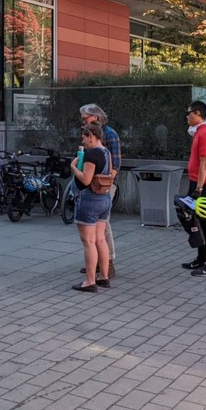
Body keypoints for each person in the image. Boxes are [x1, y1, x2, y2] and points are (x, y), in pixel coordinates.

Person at [69, 122, 112, 291]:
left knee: (88, 241)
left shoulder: (92, 154)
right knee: (101, 239)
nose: (83, 140)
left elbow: (86, 179)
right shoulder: (106, 152)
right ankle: (104, 277)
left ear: (92, 137)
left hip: (89, 200)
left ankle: (89, 281)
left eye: (84, 137)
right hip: (104, 198)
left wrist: (73, 167)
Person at [79, 104, 121, 279]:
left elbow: (116, 163)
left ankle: (108, 263)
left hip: (102, 186)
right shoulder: (92, 134)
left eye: (85, 118)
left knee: (103, 227)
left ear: (95, 117)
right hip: (92, 185)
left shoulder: (109, 134)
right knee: (96, 228)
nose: (83, 121)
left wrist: (105, 183)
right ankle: (97, 263)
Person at [183, 101, 206, 277]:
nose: (187, 117)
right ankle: (201, 258)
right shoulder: (199, 132)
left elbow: (205, 163)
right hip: (196, 182)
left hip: (204, 184)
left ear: (198, 113)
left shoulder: (205, 133)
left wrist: (198, 189)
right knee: (194, 222)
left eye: (189, 113)